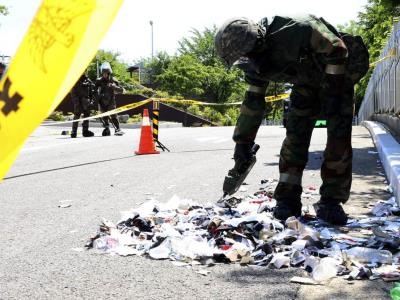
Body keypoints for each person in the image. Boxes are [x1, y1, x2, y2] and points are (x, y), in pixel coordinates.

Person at [215, 15, 369, 225]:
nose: (247, 61)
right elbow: (253, 103)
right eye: (242, 58)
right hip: (305, 83)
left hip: (337, 74)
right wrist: (243, 144)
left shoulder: (298, 29)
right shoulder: (253, 62)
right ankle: (287, 199)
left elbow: (338, 48)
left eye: (247, 55)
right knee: (295, 136)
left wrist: (334, 93)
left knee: (338, 136)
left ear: (257, 41)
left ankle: (331, 201)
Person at [95, 62, 124, 136]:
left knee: (114, 116)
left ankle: (117, 129)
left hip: (111, 101)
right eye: (103, 73)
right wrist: (97, 96)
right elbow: (94, 90)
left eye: (106, 73)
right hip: (102, 101)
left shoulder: (113, 80)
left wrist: (114, 87)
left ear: (109, 73)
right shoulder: (99, 81)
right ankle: (106, 129)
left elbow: (121, 90)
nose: (104, 75)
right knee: (104, 116)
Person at [70, 74, 95, 138]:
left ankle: (85, 131)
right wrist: (76, 101)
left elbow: (92, 92)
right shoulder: (75, 80)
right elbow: (73, 92)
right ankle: (74, 132)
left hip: (86, 102)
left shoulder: (88, 80)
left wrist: (91, 101)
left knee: (87, 115)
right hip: (78, 101)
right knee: (76, 115)